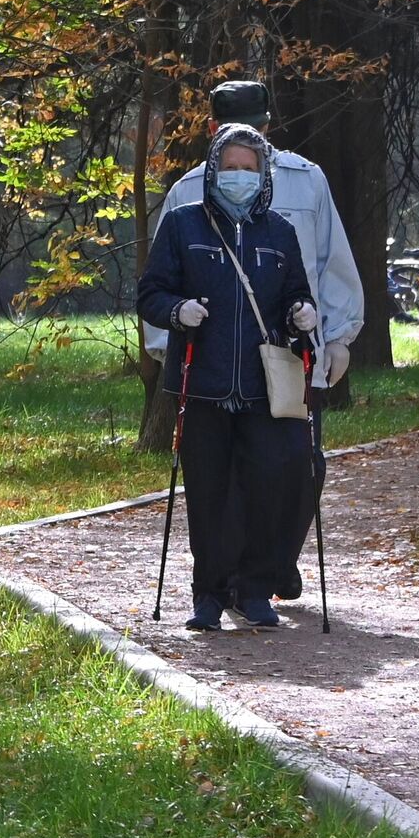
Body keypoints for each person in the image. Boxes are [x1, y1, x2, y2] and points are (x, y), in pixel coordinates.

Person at [145, 80, 363, 600]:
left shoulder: (306, 180)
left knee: (290, 463)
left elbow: (323, 264)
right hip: (221, 358)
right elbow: (166, 274)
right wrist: (173, 340)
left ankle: (272, 563)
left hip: (288, 351)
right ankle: (249, 576)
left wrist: (335, 337)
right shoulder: (191, 191)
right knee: (270, 468)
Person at [138, 124, 319, 631]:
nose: (239, 176)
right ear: (214, 170)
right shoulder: (182, 225)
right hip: (203, 384)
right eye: (230, 167)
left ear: (263, 175)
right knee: (209, 494)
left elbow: (294, 297)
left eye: (249, 168)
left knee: (267, 487)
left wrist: (301, 314)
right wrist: (178, 310)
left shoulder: (280, 233)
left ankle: (256, 590)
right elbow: (150, 295)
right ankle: (209, 596)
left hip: (263, 386)